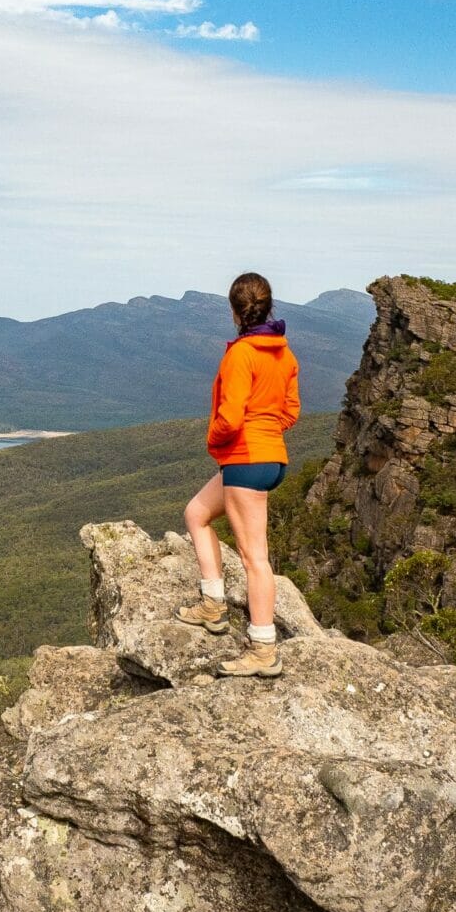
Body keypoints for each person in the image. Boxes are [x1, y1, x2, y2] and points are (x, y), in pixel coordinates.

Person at [176, 272, 301, 676]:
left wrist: (214, 436)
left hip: (246, 458)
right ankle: (213, 605)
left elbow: (229, 418)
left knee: (254, 559)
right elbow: (291, 410)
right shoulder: (285, 354)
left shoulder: (241, 355)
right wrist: (265, 432)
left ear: (234, 311)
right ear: (269, 306)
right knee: (196, 513)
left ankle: (263, 648)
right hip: (268, 459)